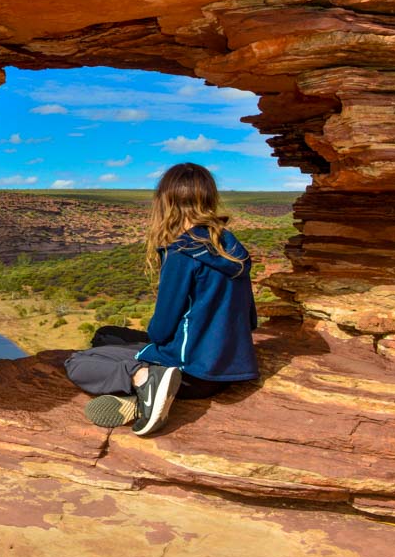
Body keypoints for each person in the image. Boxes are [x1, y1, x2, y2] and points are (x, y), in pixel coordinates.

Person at [62, 162, 259, 436]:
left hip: (190, 371)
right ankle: (146, 399)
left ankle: (144, 380)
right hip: (227, 369)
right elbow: (250, 321)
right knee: (107, 335)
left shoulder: (182, 252)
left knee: (78, 362)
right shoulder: (232, 247)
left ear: (166, 202)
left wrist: (162, 343)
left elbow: (161, 330)